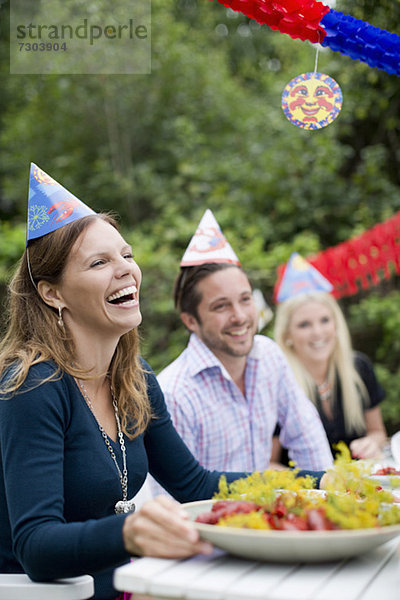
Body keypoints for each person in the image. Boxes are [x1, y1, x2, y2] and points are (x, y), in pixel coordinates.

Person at [0, 166, 326, 600]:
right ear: (52, 293)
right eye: (100, 262)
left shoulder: (135, 378)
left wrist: (319, 484)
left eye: (127, 255)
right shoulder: (33, 385)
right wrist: (130, 531)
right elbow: (35, 546)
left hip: (128, 588)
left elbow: (195, 485)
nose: (126, 271)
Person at [155, 210, 333, 477]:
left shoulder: (269, 354)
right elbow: (171, 501)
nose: (240, 317)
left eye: (245, 299)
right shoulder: (173, 394)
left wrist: (330, 501)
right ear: (191, 320)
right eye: (221, 306)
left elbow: (307, 437)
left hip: (266, 514)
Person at [273, 253, 387, 460]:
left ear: (336, 325)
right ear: (287, 335)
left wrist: (371, 442)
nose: (318, 332)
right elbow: (267, 464)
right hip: (303, 491)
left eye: (324, 320)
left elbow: (378, 432)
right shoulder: (277, 385)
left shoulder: (358, 367)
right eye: (304, 324)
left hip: (361, 488)